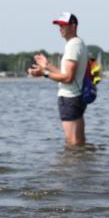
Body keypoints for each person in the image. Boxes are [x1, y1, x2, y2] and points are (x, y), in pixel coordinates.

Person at [29, 13, 89, 147]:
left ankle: (73, 167)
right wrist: (47, 65)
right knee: (78, 142)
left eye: (63, 25)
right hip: (76, 97)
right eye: (59, 26)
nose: (60, 28)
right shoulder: (77, 43)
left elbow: (67, 78)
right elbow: (66, 74)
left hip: (70, 99)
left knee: (72, 143)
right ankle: (82, 166)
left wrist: (43, 73)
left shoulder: (73, 45)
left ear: (73, 26)